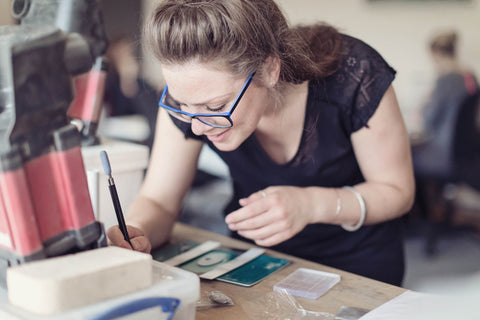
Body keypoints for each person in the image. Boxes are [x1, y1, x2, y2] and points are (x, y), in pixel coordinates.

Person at [108, 0, 414, 286]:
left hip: (360, 271)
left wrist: (311, 204)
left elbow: (397, 191)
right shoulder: (190, 99)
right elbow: (159, 202)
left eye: (215, 107)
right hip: (257, 266)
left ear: (269, 69)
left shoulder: (354, 74)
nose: (197, 127)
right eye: (182, 104)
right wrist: (135, 232)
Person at [412, 30, 479, 179]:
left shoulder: (445, 81)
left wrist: (425, 105)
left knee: (406, 158)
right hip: (467, 153)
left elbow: (428, 122)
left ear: (436, 54)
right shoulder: (470, 77)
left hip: (444, 154)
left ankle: (427, 202)